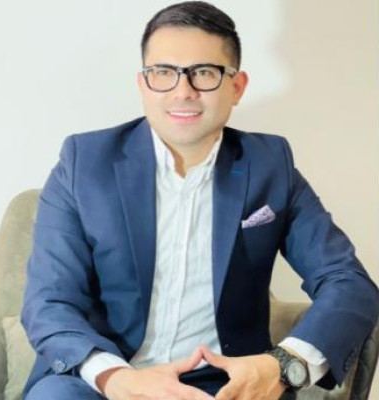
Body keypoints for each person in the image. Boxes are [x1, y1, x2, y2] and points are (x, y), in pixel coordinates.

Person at [21, 2, 379, 400]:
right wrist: (116, 379)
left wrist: (282, 366)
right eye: (163, 72)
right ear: (143, 84)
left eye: (204, 73)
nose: (183, 91)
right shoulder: (84, 163)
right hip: (103, 379)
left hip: (224, 385)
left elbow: (348, 283)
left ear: (237, 87)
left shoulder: (270, 167)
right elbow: (49, 301)